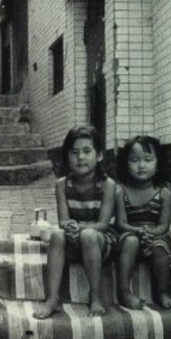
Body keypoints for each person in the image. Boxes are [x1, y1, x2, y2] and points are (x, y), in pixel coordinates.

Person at [34, 125, 116, 318]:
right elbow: (63, 221)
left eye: (87, 151)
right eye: (74, 152)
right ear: (67, 156)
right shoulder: (62, 185)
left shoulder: (107, 185)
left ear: (99, 155)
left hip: (100, 243)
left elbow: (103, 225)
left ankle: (95, 297)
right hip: (74, 240)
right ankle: (53, 298)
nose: (80, 157)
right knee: (57, 234)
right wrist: (70, 227)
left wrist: (80, 228)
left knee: (88, 235)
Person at [115, 134, 171, 310]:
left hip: (156, 236)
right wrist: (137, 232)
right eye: (134, 160)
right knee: (131, 241)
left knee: (160, 247)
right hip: (130, 236)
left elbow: (164, 226)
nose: (141, 165)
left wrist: (150, 234)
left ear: (158, 164)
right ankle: (124, 292)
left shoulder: (164, 193)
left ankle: (161, 292)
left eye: (148, 160)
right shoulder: (120, 191)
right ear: (125, 164)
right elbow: (121, 223)